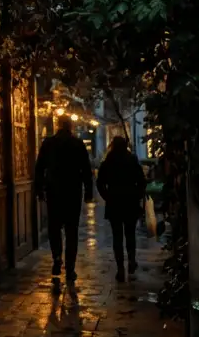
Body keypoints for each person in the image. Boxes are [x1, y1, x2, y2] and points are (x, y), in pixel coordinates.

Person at [34, 116, 93, 283]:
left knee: (54, 227)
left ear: (58, 126)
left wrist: (39, 189)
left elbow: (39, 168)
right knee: (71, 230)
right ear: (71, 126)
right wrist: (88, 192)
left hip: (54, 191)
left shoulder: (48, 143)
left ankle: (57, 258)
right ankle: (70, 268)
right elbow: (86, 170)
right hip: (73, 192)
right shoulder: (77, 144)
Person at [97, 135, 147, 282]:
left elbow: (100, 183)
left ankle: (120, 267)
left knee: (117, 236)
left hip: (114, 203)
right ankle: (131, 260)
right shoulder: (132, 160)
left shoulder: (108, 161)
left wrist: (107, 196)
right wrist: (137, 195)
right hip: (130, 202)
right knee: (130, 234)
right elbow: (141, 181)